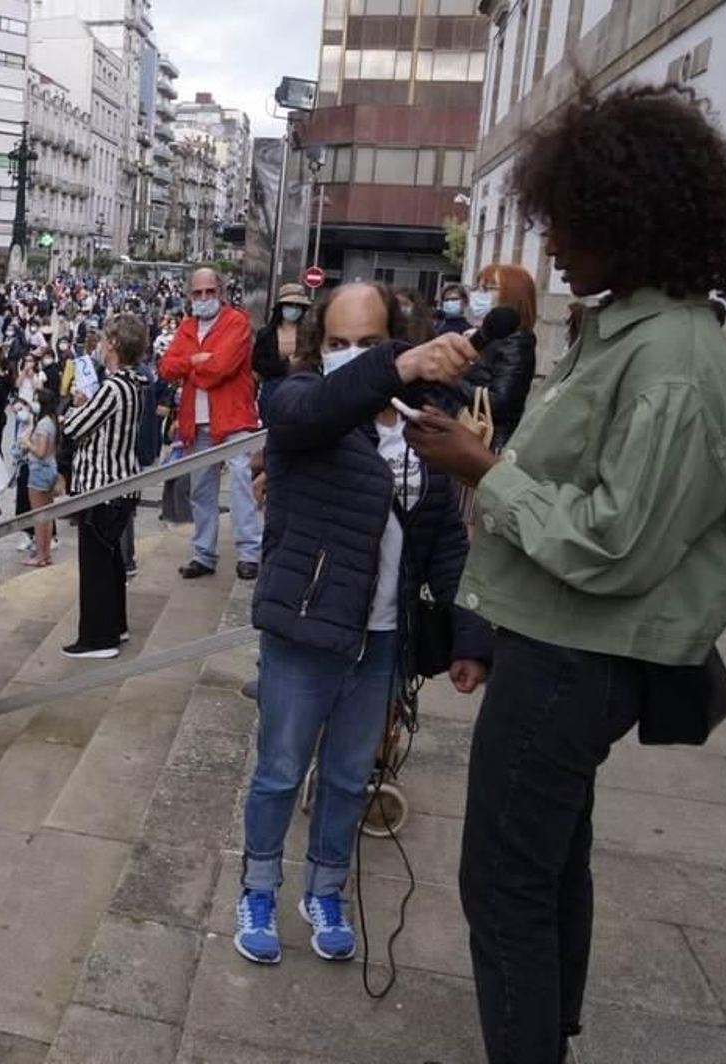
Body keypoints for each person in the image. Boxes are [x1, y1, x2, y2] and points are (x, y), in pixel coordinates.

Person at [402, 85, 726, 1064]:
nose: (551, 246)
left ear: (626, 220)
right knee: (549, 860)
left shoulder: (673, 361)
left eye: (565, 222)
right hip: (556, 639)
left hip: (576, 652)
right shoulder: (636, 333)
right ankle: (546, 1032)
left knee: (503, 883)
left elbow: (615, 541)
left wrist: (484, 470)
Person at [234, 281, 489, 968]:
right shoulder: (299, 405)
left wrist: (469, 634)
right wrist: (399, 365)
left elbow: (444, 541)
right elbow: (312, 409)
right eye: (339, 344)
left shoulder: (424, 426)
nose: (353, 357)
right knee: (280, 771)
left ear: (397, 339)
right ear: (319, 348)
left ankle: (326, 890)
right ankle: (258, 887)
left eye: (370, 344)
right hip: (305, 632)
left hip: (383, 639)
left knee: (349, 777)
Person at [160, 267, 262, 582]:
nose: (204, 298)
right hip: (196, 422)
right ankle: (204, 553)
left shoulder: (237, 322)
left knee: (242, 485)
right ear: (190, 295)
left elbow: (222, 367)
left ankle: (249, 554)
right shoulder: (188, 326)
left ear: (220, 292)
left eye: (209, 292)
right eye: (198, 293)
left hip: (232, 417)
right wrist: (194, 361)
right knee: (200, 490)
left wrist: (190, 366)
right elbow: (166, 367)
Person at [60, 315, 145, 658]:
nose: (101, 344)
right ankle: (115, 626)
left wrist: (77, 407)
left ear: (114, 344)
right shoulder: (132, 383)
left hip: (103, 487)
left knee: (95, 566)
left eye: (106, 339)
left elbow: (73, 427)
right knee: (110, 564)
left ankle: (98, 638)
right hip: (119, 485)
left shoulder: (113, 388)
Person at [463, 263, 538, 451]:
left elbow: (501, 403)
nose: (479, 295)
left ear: (512, 295)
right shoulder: (485, 335)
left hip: (491, 443)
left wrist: (449, 378)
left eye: (488, 289)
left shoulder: (517, 342)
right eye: (478, 288)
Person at [251, 284, 312, 423]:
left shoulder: (310, 333)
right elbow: (257, 363)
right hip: (273, 387)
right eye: (290, 304)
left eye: (298, 305)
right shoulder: (266, 333)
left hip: (302, 388)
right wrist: (286, 365)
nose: (294, 309)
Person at [21, 386, 61, 568]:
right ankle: (46, 555)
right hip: (50, 469)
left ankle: (40, 555)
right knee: (48, 515)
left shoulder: (44, 424)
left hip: (39, 471)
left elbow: (41, 451)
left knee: (39, 516)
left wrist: (28, 443)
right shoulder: (52, 421)